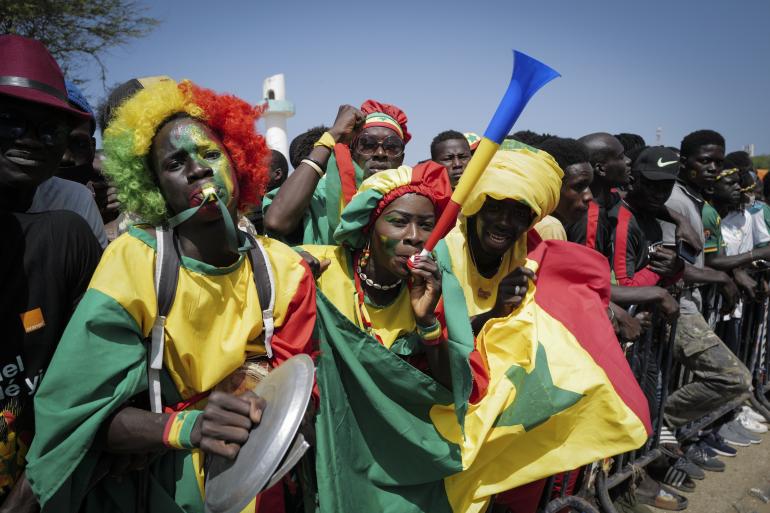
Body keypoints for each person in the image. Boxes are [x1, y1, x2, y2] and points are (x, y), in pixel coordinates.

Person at [25, 79, 318, 513]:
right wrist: (186, 426)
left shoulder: (286, 269)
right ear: (153, 185)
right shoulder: (135, 260)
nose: (197, 169)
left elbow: (298, 388)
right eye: (175, 163)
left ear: (239, 162)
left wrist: (251, 390)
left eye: (210, 154)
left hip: (259, 485)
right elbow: (80, 417)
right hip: (159, 489)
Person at [0, 34, 102, 511]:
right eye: (8, 120)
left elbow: (90, 384)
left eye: (48, 129)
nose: (29, 140)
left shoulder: (67, 236)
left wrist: (30, 491)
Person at [659, 130, 753, 444]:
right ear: (685, 163)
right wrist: (722, 277)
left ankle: (662, 431)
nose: (712, 168)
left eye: (717, 161)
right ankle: (658, 426)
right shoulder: (675, 199)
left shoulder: (694, 199)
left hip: (690, 305)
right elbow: (671, 265)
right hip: (676, 308)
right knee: (734, 378)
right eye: (705, 161)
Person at [264, 100, 410, 244]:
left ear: (402, 157)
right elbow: (276, 222)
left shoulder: (413, 199)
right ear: (352, 151)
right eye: (368, 144)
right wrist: (332, 136)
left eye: (392, 146)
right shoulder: (319, 195)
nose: (380, 153)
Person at [26, 80, 108, 247]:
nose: (65, 157)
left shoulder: (111, 192)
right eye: (51, 135)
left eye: (78, 144)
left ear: (92, 148)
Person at [533, 137, 593, 241]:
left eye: (589, 186)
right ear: (551, 186)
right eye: (578, 186)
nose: (589, 196)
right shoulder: (550, 227)